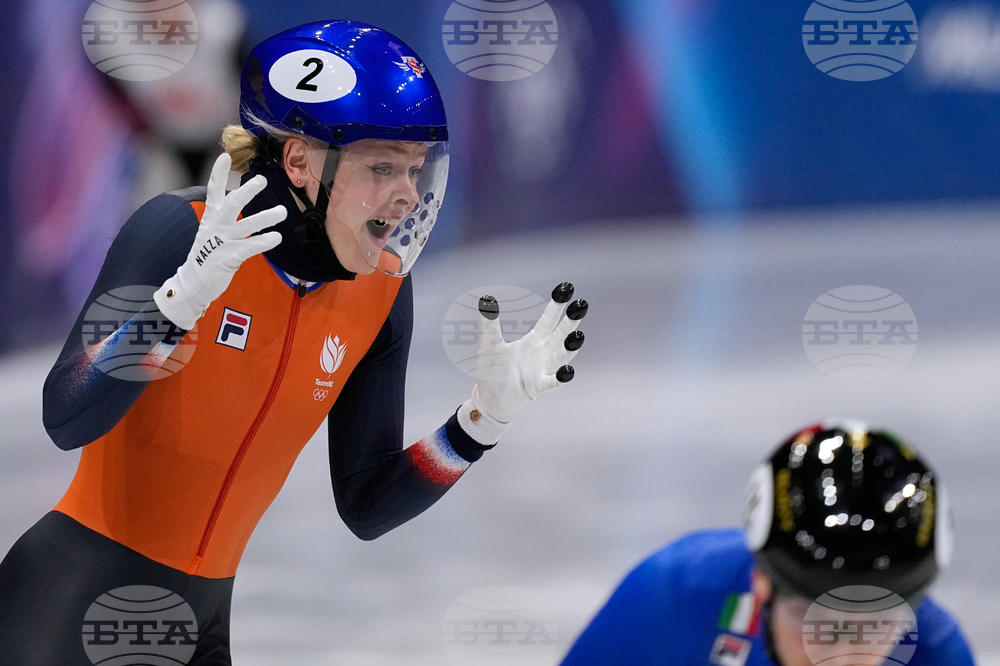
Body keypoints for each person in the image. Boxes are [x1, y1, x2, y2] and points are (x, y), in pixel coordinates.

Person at [0, 21, 588, 664]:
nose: (405, 197)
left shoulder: (383, 294)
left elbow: (365, 505)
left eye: (415, 171)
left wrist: (478, 424)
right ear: (301, 162)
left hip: (200, 630)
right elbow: (66, 415)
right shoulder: (183, 234)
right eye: (382, 167)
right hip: (64, 608)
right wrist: (177, 304)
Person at [560, 421, 974, 666]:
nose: (839, 656)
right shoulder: (676, 593)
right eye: (813, 618)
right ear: (760, 582)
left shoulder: (935, 651)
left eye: (876, 624)